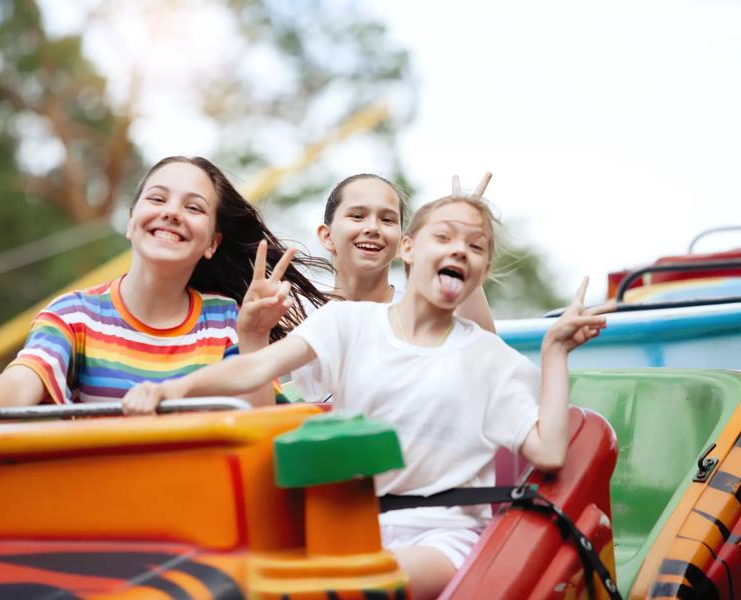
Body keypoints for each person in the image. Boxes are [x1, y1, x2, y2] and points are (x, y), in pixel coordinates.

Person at [119, 192, 608, 599]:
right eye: (444, 237)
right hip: (350, 524)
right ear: (410, 249)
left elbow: (549, 450)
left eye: (475, 247)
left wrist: (555, 353)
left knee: (350, 583)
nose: (460, 250)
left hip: (441, 538)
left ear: (480, 270)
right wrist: (173, 387)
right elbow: (259, 366)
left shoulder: (492, 360)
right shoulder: (347, 323)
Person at [0, 155, 328, 425]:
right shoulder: (75, 315)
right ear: (131, 222)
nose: (171, 212)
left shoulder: (226, 320)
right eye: (157, 198)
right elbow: (23, 380)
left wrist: (254, 336)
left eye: (193, 208)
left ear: (212, 242)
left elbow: (257, 423)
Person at [291, 172, 496, 402]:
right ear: (327, 236)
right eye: (357, 216)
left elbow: (486, 367)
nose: (372, 228)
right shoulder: (296, 312)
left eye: (387, 220)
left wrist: (460, 243)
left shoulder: (420, 311)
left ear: (403, 244)